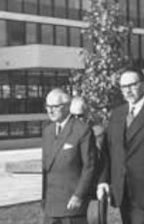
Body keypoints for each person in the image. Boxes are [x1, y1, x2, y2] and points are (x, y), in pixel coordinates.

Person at [96, 67, 144, 224]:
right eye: (124, 87)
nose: (127, 90)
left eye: (132, 85)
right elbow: (108, 151)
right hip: (122, 191)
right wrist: (103, 180)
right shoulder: (117, 114)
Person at [42, 88, 97, 224]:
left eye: (55, 106)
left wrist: (79, 195)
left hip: (72, 203)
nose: (50, 111)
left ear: (67, 107)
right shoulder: (47, 131)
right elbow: (46, 168)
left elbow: (89, 166)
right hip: (51, 203)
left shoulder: (82, 130)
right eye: (47, 106)